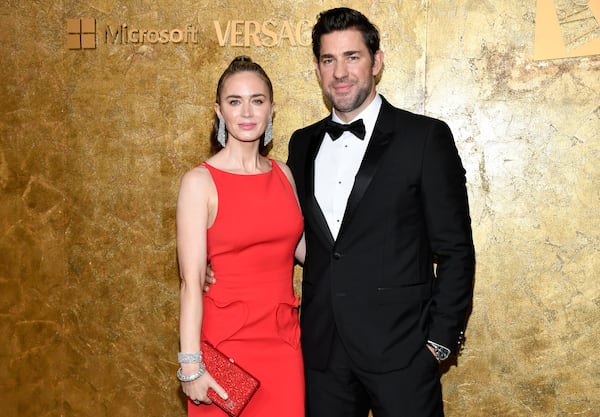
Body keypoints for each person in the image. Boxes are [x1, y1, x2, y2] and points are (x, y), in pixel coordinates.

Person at [286, 8, 476, 417]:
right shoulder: (301, 144)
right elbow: (302, 241)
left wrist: (438, 343)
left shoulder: (424, 138)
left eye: (352, 57)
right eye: (328, 59)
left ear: (377, 61)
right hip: (323, 357)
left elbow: (456, 249)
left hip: (404, 354)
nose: (340, 72)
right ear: (318, 68)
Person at [176, 56, 305, 417]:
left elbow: (309, 251)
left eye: (257, 100)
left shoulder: (284, 174)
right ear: (219, 111)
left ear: (272, 109)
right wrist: (190, 365)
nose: (247, 112)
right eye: (235, 101)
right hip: (225, 347)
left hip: (284, 345)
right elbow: (190, 283)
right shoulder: (199, 182)